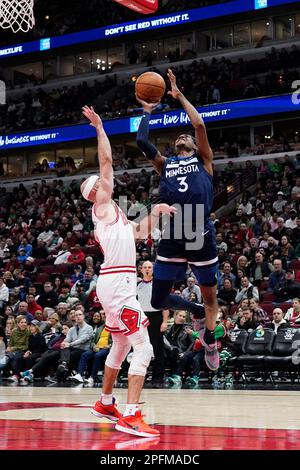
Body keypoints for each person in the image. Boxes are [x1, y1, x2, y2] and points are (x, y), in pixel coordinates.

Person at [80, 106, 176, 438]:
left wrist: (157, 212)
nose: (107, 182)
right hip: (118, 284)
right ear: (94, 194)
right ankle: (131, 415)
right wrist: (100, 128)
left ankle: (106, 402)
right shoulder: (102, 206)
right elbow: (106, 163)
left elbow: (137, 232)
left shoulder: (114, 215)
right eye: (100, 185)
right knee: (144, 347)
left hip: (113, 282)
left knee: (120, 345)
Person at [136, 69, 219, 371]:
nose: (184, 136)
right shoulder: (165, 164)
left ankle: (210, 339)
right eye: (180, 137)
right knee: (158, 299)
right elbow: (142, 140)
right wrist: (147, 111)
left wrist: (178, 94)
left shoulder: (204, 160)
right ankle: (195, 310)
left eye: (187, 138)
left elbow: (197, 122)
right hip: (172, 231)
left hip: (200, 230)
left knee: (212, 296)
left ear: (196, 147)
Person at [137, 260, 169, 387]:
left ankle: (158, 378)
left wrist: (165, 321)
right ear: (141, 270)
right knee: (141, 348)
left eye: (150, 267)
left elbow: (165, 304)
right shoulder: (137, 285)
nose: (147, 269)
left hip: (156, 317)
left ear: (153, 269)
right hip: (142, 317)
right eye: (145, 267)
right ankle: (141, 375)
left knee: (157, 348)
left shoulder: (159, 284)